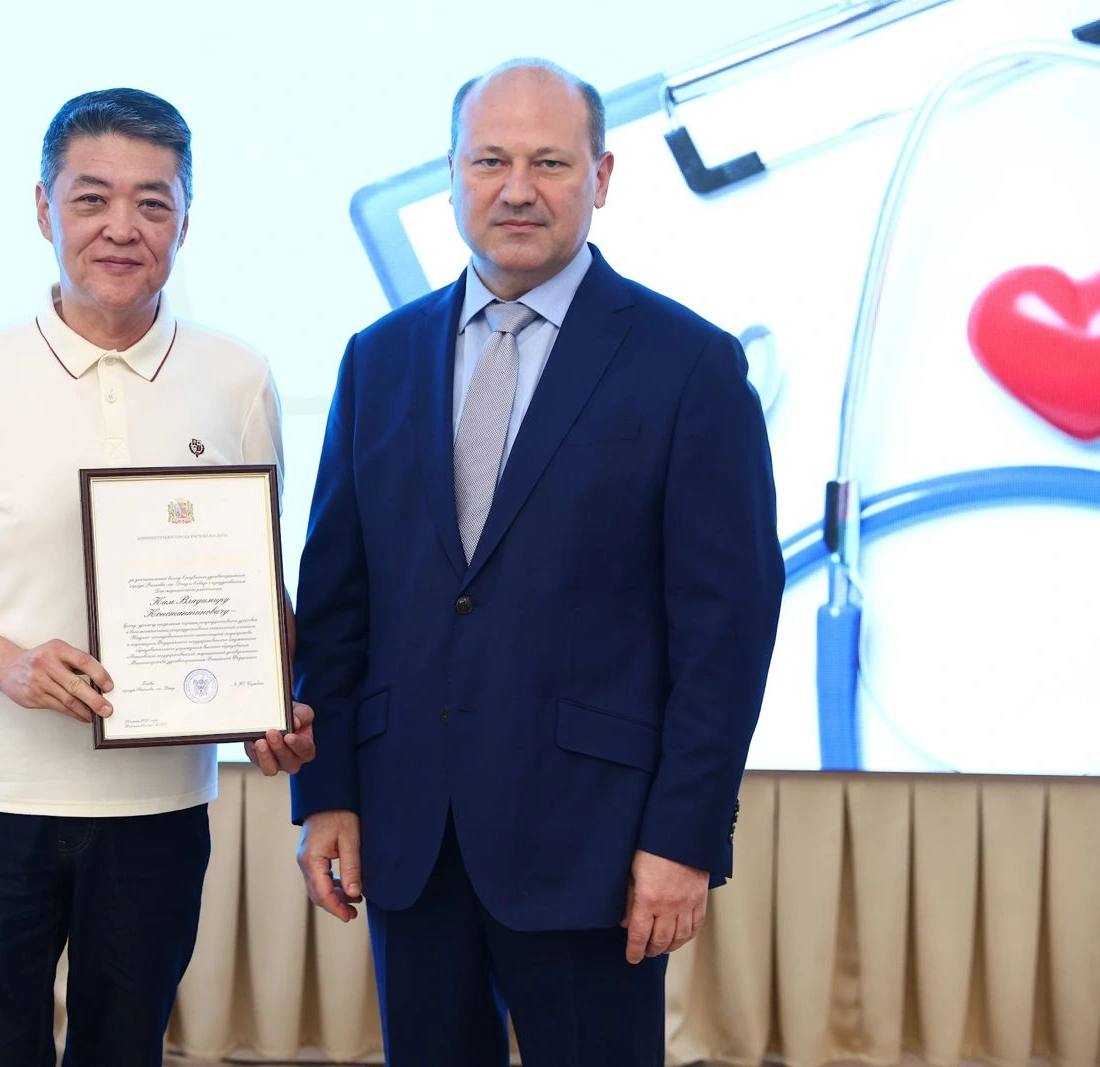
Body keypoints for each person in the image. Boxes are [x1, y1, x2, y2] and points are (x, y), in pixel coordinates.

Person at [289, 59, 784, 1065]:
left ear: (601, 176)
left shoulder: (687, 364)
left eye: (549, 162)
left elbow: (725, 630)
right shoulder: (377, 358)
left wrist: (683, 836)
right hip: (411, 834)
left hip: (595, 846)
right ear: (452, 175)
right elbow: (339, 599)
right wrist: (327, 790)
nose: (517, 188)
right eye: (490, 161)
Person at [0, 87, 314, 1067]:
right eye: (91, 198)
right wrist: (6, 662)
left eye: (152, 202)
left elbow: (255, 577)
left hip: (159, 808)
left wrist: (272, 699)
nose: (121, 227)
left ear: (186, 218)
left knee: (127, 1048)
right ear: (43, 208)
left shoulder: (237, 377)